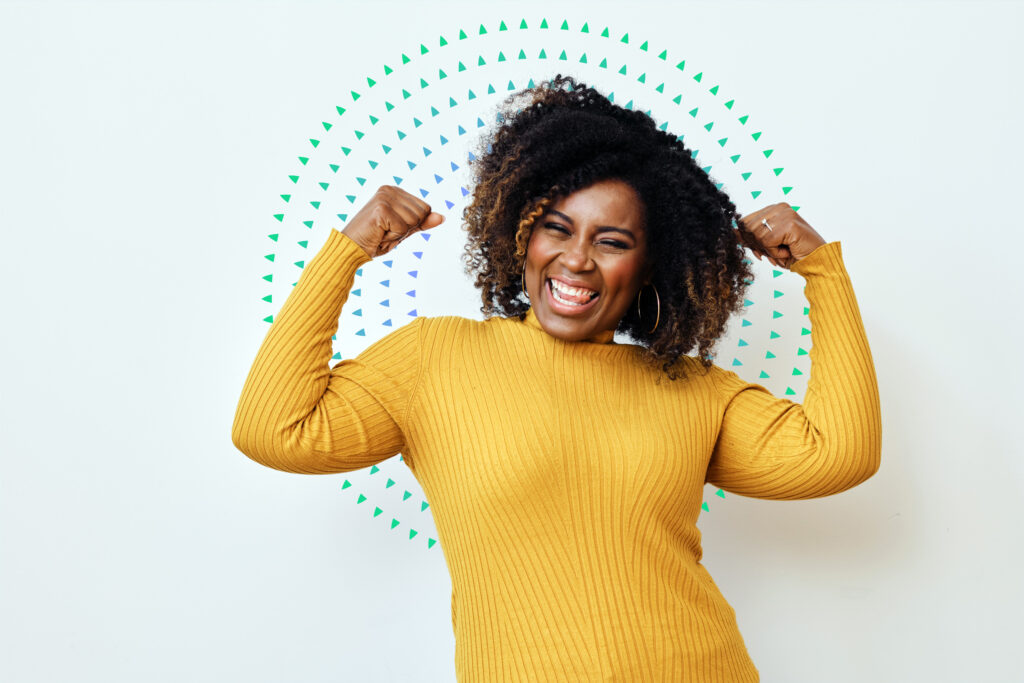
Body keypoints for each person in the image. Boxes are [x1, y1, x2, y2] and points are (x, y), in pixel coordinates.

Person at [231, 73, 882, 681]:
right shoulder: (435, 358)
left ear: (652, 262)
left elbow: (839, 454)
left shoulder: (691, 388)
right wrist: (346, 253)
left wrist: (824, 276)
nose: (576, 259)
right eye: (556, 228)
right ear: (520, 235)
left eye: (612, 241)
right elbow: (274, 429)